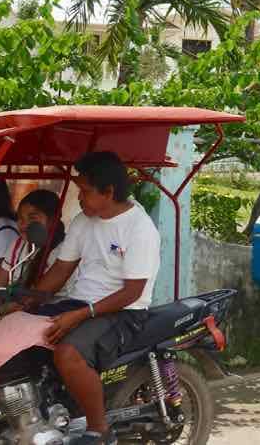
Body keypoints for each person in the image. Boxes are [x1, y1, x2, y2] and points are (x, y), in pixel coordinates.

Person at [33, 152, 160, 441]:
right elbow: (61, 269)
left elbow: (133, 291)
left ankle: (99, 430)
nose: (79, 198)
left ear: (109, 191)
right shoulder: (83, 221)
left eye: (85, 191)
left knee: (69, 354)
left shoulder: (139, 228)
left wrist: (79, 315)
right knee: (19, 332)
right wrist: (24, 301)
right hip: (81, 305)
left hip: (124, 311)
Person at [0, 189, 67, 289]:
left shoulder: (62, 251)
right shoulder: (17, 245)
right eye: (20, 218)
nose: (24, 224)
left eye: (32, 218)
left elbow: (38, 298)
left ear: (53, 220)